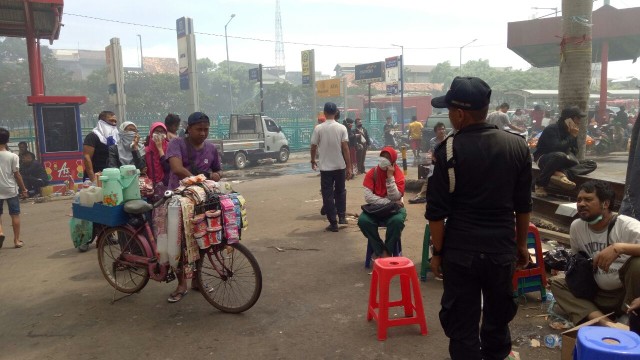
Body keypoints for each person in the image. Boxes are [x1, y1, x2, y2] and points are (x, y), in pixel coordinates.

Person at [426, 76, 532, 360]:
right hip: (501, 251)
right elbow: (523, 206)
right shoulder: (518, 147)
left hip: (461, 254)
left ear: (460, 114)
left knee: (462, 328)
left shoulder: (447, 150)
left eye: (449, 112)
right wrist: (520, 245)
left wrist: (438, 253)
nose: (449, 118)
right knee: (497, 323)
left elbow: (436, 213)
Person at [549, 181, 640, 328]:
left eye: (588, 199)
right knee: (557, 284)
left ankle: (629, 316)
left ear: (605, 203)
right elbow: (577, 261)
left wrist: (620, 248)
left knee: (637, 264)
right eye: (579, 200)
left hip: (626, 295)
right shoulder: (577, 227)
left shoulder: (627, 226)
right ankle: (605, 322)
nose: (581, 204)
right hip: (597, 294)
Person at [166, 112, 223, 303]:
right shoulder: (177, 144)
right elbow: (176, 168)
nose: (203, 133)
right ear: (188, 129)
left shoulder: (211, 149)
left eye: (206, 129)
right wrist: (196, 181)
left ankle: (197, 281)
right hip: (179, 201)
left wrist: (216, 175)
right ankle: (181, 284)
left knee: (201, 240)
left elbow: (218, 170)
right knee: (180, 243)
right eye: (199, 129)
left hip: (202, 201)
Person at [533, 106, 597, 197]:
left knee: (591, 164)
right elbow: (557, 148)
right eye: (577, 118)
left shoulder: (571, 131)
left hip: (565, 158)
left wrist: (572, 139)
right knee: (559, 155)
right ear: (568, 119)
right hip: (546, 158)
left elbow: (575, 151)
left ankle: (561, 175)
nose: (579, 121)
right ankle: (540, 184)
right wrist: (571, 136)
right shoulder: (552, 129)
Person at [310, 102, 352, 232]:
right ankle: (342, 217)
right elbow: (345, 148)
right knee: (341, 191)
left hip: (325, 168)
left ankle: (333, 223)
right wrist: (349, 166)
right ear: (336, 113)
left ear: (324, 112)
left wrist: (312, 160)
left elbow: (313, 146)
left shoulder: (318, 128)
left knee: (327, 195)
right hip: (340, 166)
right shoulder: (342, 128)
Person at [357, 146, 405, 258]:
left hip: (394, 210)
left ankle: (387, 252)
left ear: (393, 161)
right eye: (383, 156)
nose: (384, 159)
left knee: (397, 222)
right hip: (375, 209)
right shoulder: (372, 173)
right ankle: (380, 249)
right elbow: (368, 197)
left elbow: (396, 196)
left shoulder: (398, 173)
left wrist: (390, 177)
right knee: (363, 221)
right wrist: (388, 202)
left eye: (388, 157)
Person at [0, 128, 29, 249]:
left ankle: (0, 232)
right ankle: (16, 240)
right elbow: (17, 174)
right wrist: (24, 189)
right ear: (8, 140)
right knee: (15, 215)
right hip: (10, 189)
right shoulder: (13, 156)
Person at [409, 122, 446, 204]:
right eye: (439, 129)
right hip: (435, 164)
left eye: (443, 129)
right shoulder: (433, 141)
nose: (442, 131)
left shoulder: (449, 140)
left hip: (446, 165)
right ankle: (421, 195)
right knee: (429, 179)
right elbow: (433, 154)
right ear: (436, 131)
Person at [83, 111, 118, 183]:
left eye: (115, 121)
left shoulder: (116, 138)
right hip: (96, 176)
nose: (113, 123)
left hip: (111, 176)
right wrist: (93, 179)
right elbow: (87, 157)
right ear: (102, 122)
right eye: (111, 121)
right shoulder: (93, 136)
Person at [144, 122, 170, 187]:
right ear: (151, 133)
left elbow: (167, 168)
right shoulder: (146, 150)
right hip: (149, 186)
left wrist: (160, 149)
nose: (159, 134)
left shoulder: (170, 147)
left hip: (166, 184)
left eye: (162, 132)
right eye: (157, 131)